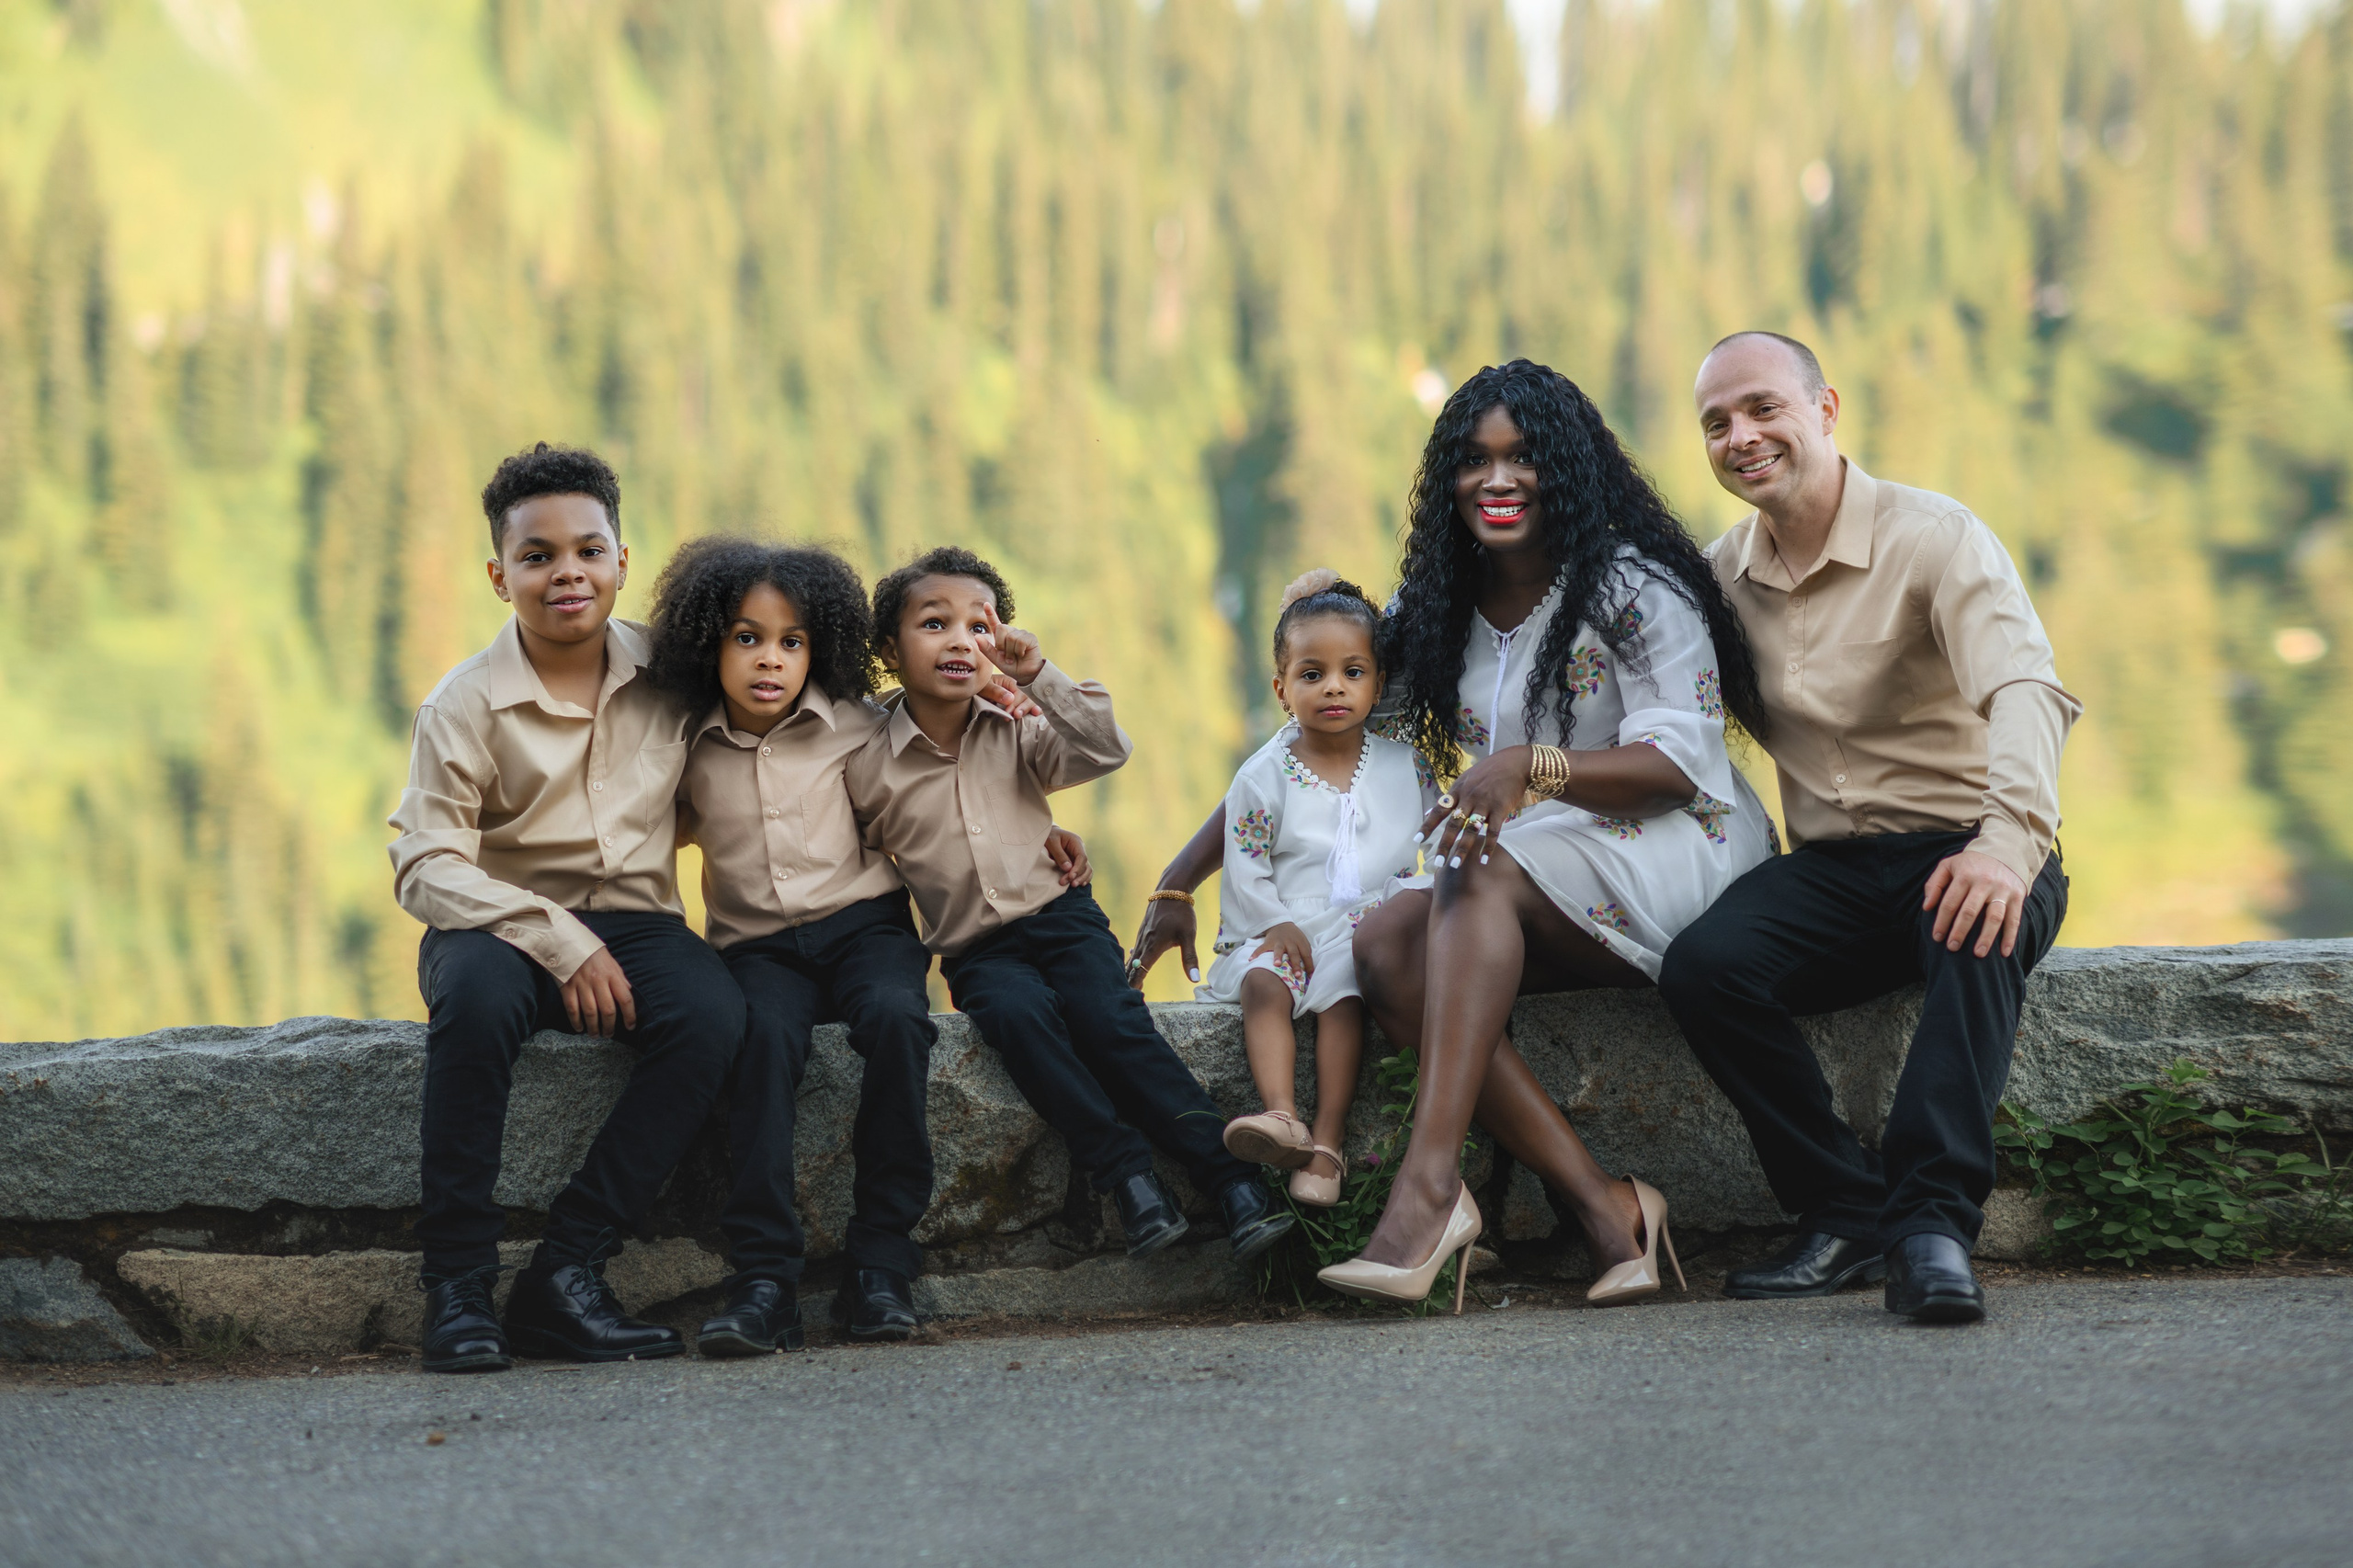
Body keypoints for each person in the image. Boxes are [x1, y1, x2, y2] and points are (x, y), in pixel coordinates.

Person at [1132, 360, 1775, 1311]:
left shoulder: (1635, 587)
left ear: (1567, 467)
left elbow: (1679, 766)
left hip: (1680, 847)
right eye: (1473, 460)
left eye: (1522, 457)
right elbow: (1303, 740)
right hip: (1524, 878)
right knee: (1388, 938)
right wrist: (1180, 879)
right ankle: (1606, 1209)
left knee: (1471, 862)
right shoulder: (1436, 613)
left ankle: (1427, 1191)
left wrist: (1531, 768)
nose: (1497, 479)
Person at [1657, 332, 2077, 1324]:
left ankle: (1931, 1225)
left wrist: (2005, 845)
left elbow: (2027, 689)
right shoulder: (1717, 579)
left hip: (1971, 838)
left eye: (1762, 408)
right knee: (1705, 966)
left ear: (1826, 408)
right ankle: (1842, 1211)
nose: (1740, 436)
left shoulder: (1936, 536)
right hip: (1838, 871)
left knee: (1974, 925)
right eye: (1716, 422)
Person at [644, 538, 1090, 1353]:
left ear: (822, 648)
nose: (769, 661)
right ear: (709, 642)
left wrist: (1040, 828)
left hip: (865, 931)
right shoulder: (684, 749)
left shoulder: (857, 725)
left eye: (791, 642)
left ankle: (882, 1263)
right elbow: (630, 833)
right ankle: (764, 1282)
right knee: (762, 1045)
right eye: (746, 638)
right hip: (758, 950)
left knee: (895, 1021)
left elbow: (951, 782)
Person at [389, 443, 745, 1373]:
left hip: (639, 923)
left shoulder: (677, 674)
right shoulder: (464, 702)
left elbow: (781, 755)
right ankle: (458, 1289)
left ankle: (566, 1272)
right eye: (538, 556)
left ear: (623, 561)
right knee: (472, 1005)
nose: (567, 573)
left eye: (588, 550)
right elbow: (423, 862)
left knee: (714, 1015)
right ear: (500, 574)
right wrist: (554, 935)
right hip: (499, 923)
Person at [845, 547, 1293, 1265]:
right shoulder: (867, 755)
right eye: (935, 624)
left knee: (1113, 1024)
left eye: (979, 627)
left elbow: (1105, 747)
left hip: (1063, 918)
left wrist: (1035, 678)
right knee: (1022, 1024)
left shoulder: (1015, 724)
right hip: (975, 949)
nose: (961, 640)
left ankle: (1231, 1180)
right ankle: (1128, 1177)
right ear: (890, 652)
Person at [1201, 572, 1435, 1209]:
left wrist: (1430, 894)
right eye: (1312, 674)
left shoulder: (1404, 764)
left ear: (1378, 684)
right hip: (1287, 923)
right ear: (1282, 689)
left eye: (1353, 672)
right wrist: (1273, 921)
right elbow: (1245, 858)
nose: (1333, 686)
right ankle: (1282, 1116)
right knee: (1262, 982)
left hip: (1370, 921)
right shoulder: (1263, 774)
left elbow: (1442, 838)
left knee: (1344, 995)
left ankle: (1328, 1145)